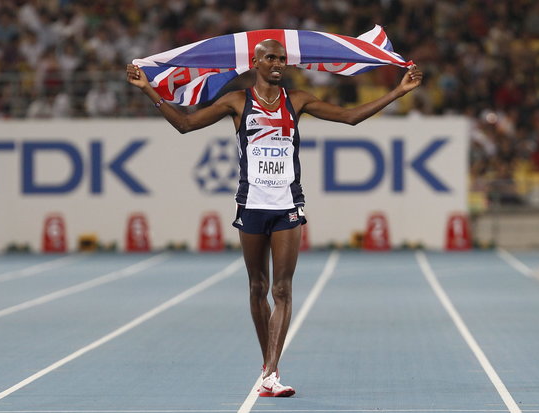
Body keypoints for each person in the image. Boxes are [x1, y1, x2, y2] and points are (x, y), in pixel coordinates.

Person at [126, 39, 422, 397]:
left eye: (282, 58)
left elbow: (350, 117)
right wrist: (148, 91)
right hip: (251, 204)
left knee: (282, 289)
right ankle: (266, 362)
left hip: (287, 205)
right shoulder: (236, 101)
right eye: (271, 58)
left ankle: (271, 371)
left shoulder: (297, 100)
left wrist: (398, 92)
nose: (279, 63)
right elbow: (186, 125)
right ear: (256, 62)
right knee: (257, 287)